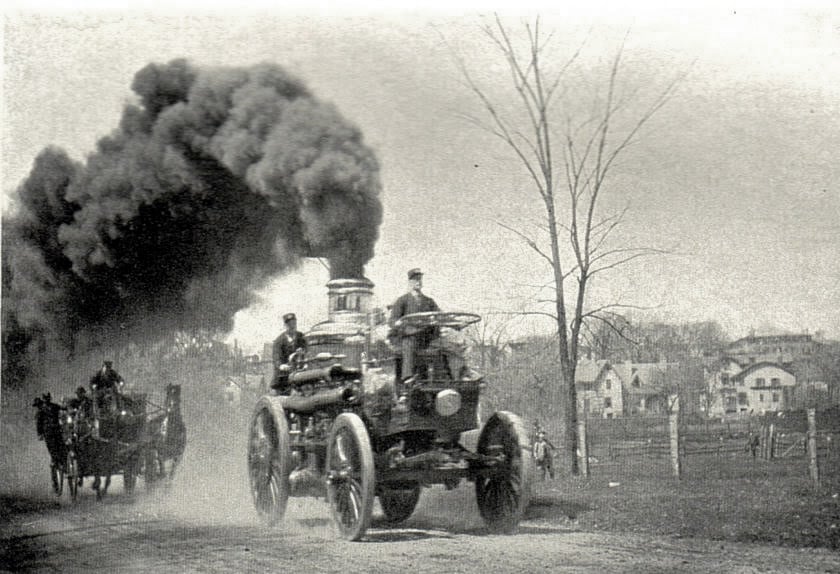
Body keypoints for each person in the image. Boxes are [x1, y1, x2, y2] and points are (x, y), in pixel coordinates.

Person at [389, 268, 440, 380]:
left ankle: (447, 377)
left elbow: (439, 314)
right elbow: (392, 320)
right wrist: (397, 323)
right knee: (409, 344)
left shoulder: (429, 301)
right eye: (415, 279)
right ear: (410, 282)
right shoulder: (402, 300)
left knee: (447, 346)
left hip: (427, 337)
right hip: (408, 336)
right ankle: (408, 376)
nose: (419, 282)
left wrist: (438, 320)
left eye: (420, 279)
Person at [272, 313, 307, 391]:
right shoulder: (279, 340)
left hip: (300, 371)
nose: (292, 326)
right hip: (284, 376)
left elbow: (307, 349)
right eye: (289, 324)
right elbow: (276, 357)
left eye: (294, 324)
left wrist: (303, 352)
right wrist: (281, 366)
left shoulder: (301, 336)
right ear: (285, 326)